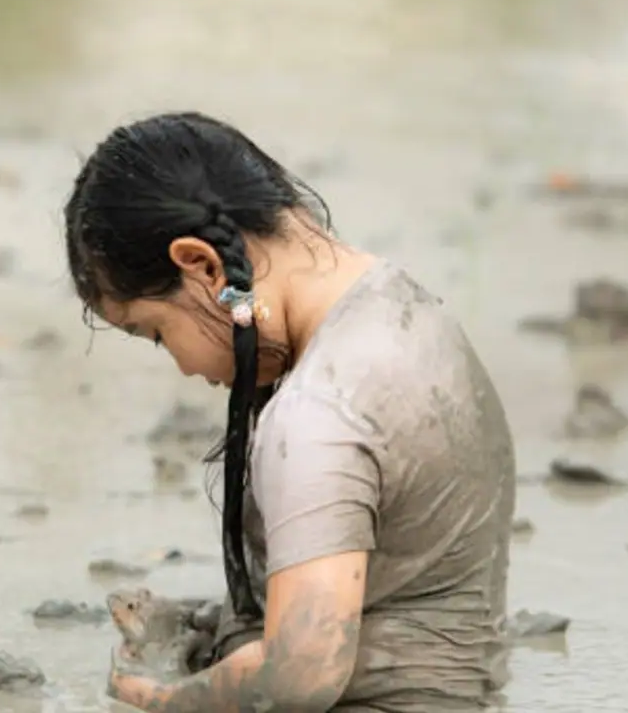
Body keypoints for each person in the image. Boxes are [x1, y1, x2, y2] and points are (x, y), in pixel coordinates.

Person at [62, 112, 516, 712]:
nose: (182, 367)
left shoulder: (316, 415)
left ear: (203, 266)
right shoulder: (405, 307)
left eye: (154, 333)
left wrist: (169, 701)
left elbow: (303, 675)